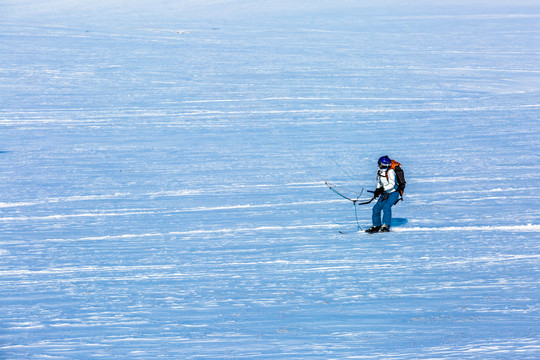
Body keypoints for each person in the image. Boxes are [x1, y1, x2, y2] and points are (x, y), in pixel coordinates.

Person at [365, 156, 401, 233]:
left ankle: (386, 225)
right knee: (376, 208)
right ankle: (376, 226)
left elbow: (392, 184)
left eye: (379, 164)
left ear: (383, 164)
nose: (378, 165)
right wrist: (377, 190)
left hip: (393, 193)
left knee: (386, 207)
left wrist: (382, 189)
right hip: (385, 193)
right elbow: (379, 182)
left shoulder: (390, 171)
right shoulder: (380, 171)